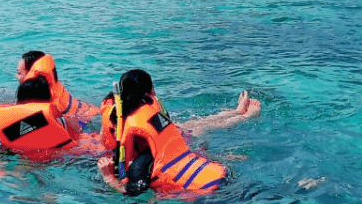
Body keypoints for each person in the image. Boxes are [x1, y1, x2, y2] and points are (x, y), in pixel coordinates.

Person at [97, 69, 259, 197]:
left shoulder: (140, 158)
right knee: (199, 124)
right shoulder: (147, 109)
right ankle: (238, 113)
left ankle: (241, 114)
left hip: (196, 177)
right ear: (148, 93)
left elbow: (132, 192)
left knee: (199, 126)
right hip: (175, 140)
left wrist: (108, 177)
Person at [0, 77, 104, 161]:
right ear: (48, 101)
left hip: (20, 158)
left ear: (19, 102)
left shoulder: (9, 128)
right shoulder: (62, 122)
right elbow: (77, 135)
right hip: (57, 161)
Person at [17, 51, 99, 123]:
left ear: (31, 75)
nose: (16, 76)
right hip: (92, 111)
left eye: (19, 73)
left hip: (88, 123)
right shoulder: (52, 86)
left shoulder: (40, 96)